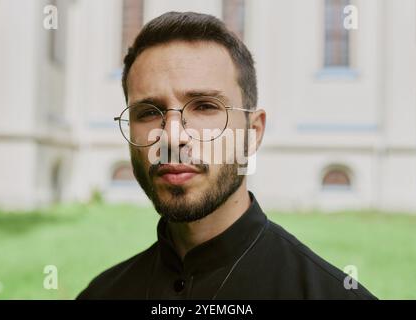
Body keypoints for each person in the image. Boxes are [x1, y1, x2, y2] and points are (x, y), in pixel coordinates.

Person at [77, 11, 376, 300]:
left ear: (253, 132)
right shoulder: (100, 293)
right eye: (148, 112)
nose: (172, 136)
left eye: (205, 106)